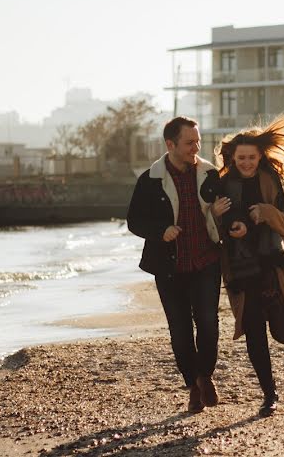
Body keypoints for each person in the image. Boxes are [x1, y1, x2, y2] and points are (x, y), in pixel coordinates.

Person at [213, 108, 284, 417]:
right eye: (240, 158)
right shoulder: (224, 184)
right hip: (239, 266)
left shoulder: (273, 180)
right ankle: (269, 394)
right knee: (254, 331)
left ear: (259, 157)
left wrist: (263, 211)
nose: (246, 162)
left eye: (251, 157)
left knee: (281, 333)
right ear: (232, 159)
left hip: (273, 264)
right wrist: (221, 219)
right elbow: (218, 227)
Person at [126, 116, 228, 414]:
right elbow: (134, 221)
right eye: (189, 142)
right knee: (180, 331)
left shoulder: (210, 173)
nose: (195, 147)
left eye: (197, 141)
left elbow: (223, 211)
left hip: (207, 261)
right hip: (170, 267)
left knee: (208, 325)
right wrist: (160, 231)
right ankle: (194, 384)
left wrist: (220, 214)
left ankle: (205, 374)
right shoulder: (150, 179)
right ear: (170, 144)